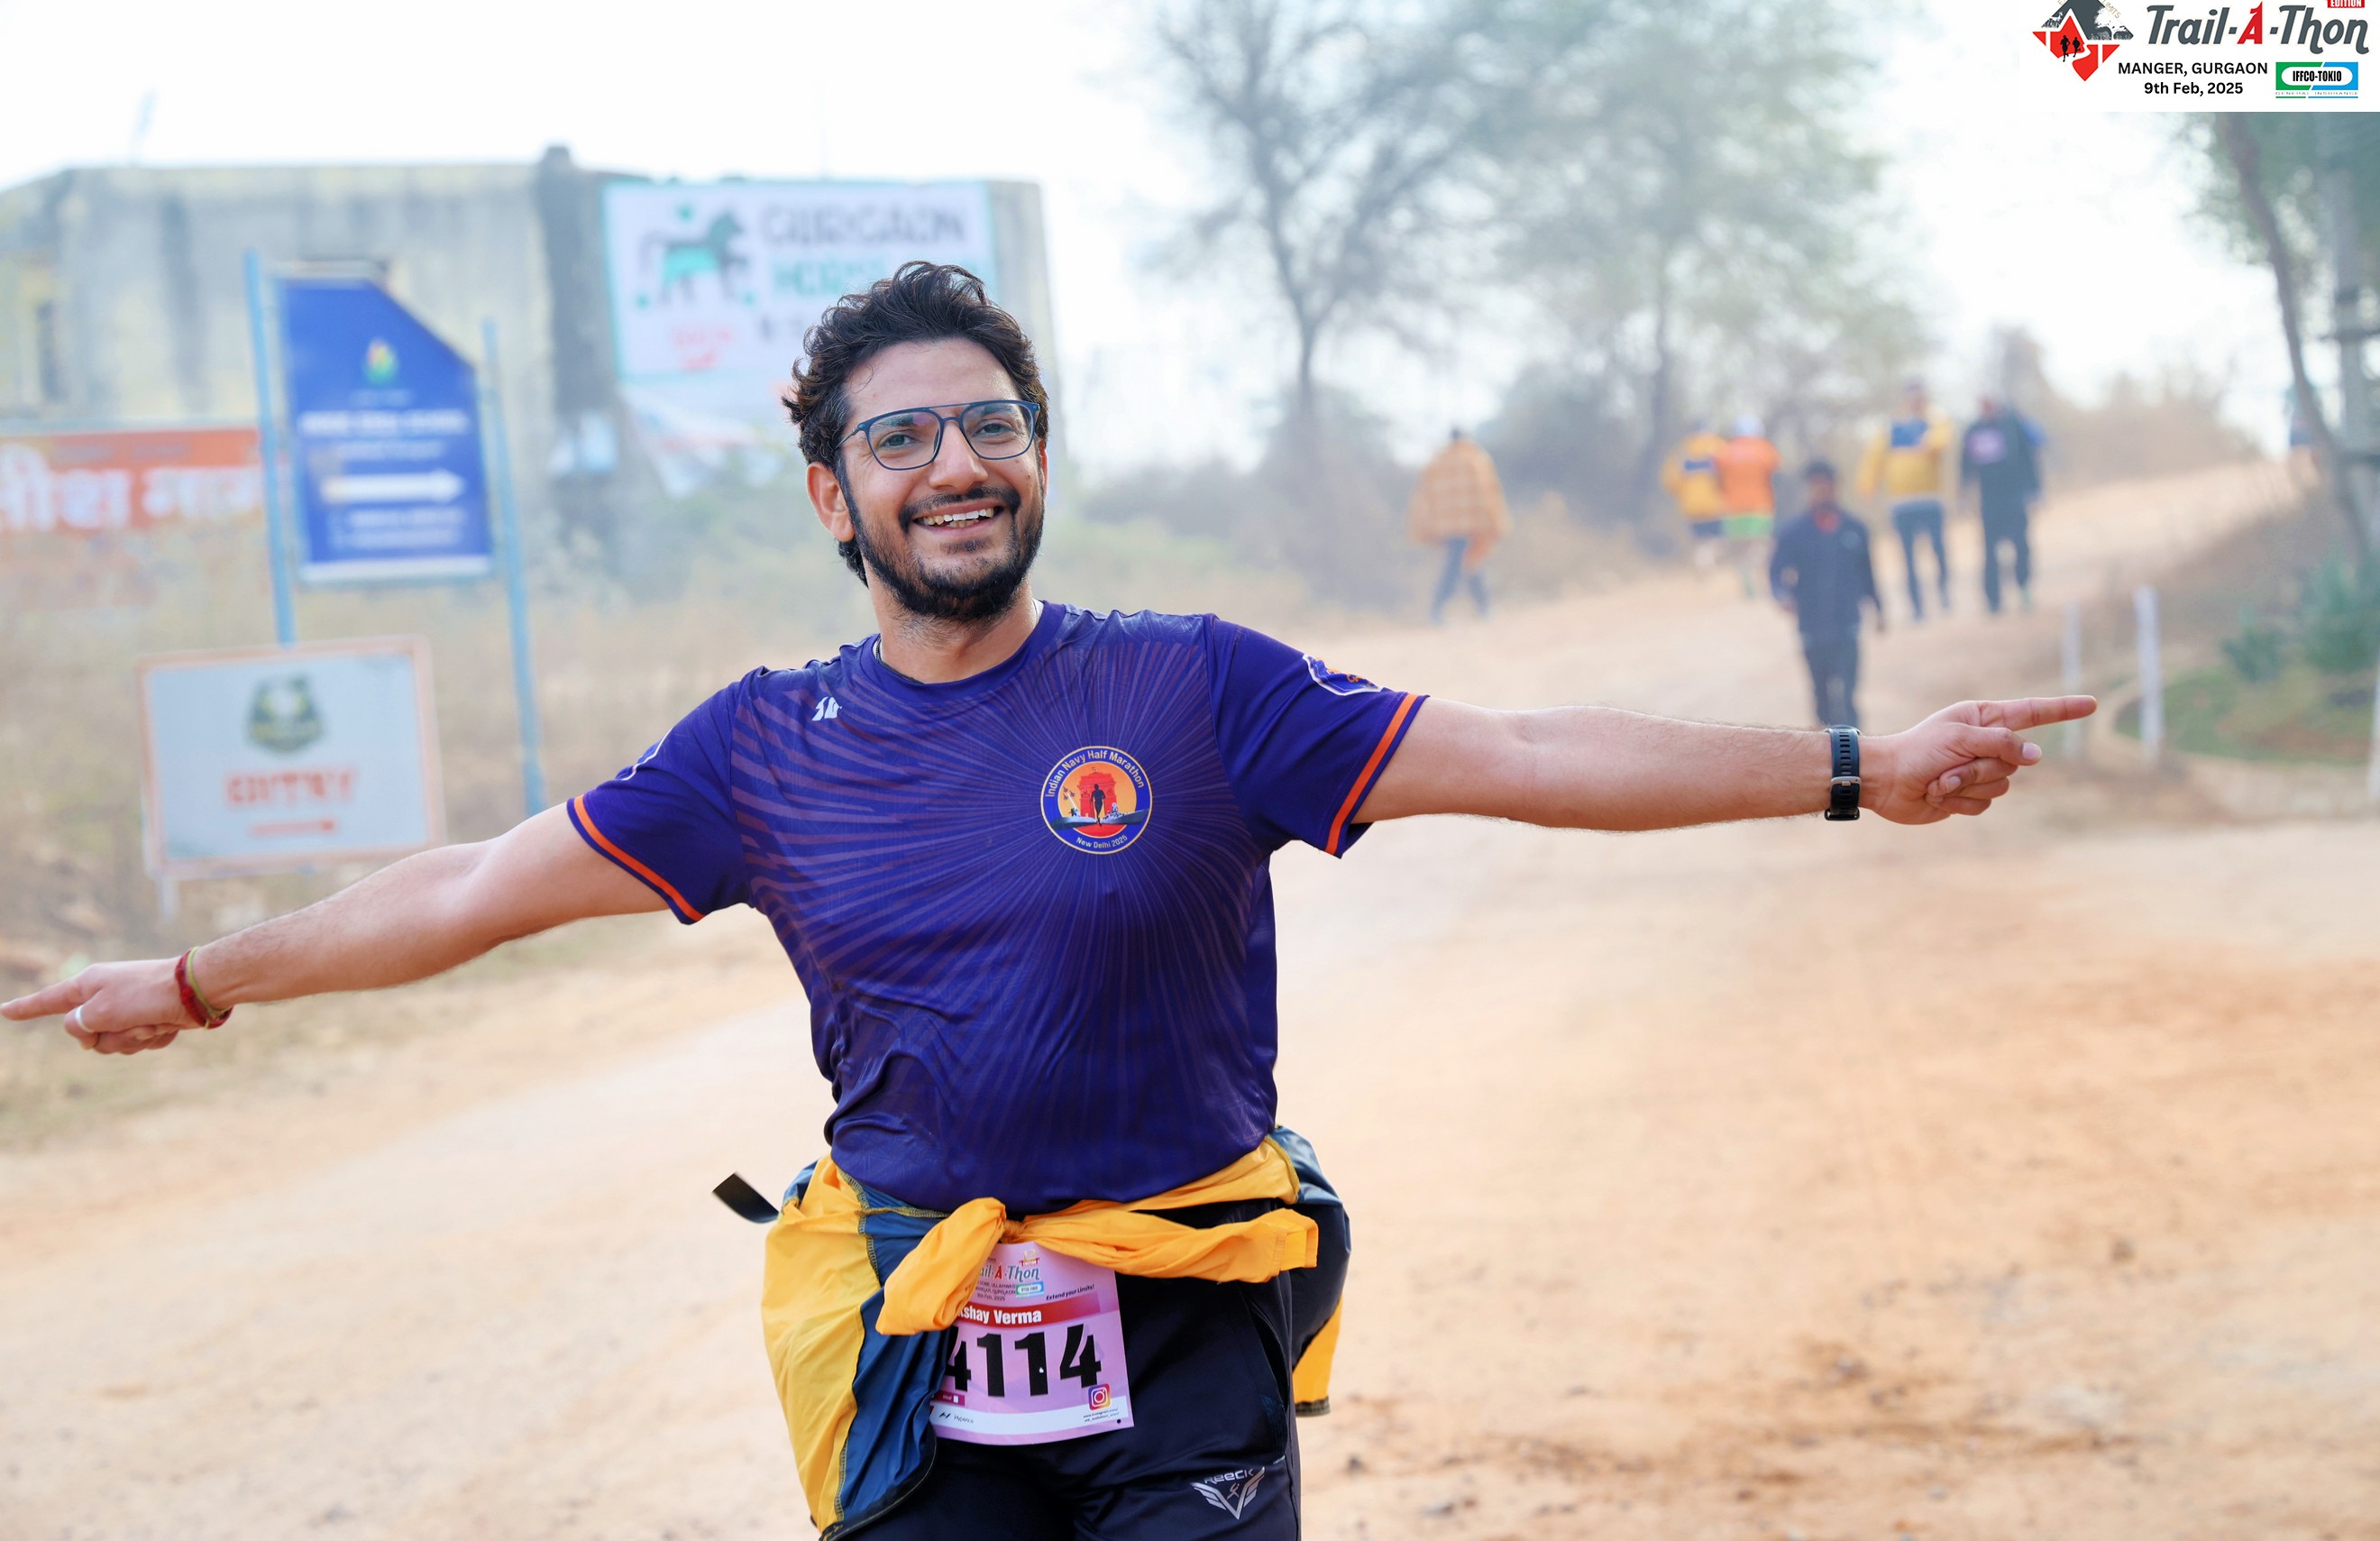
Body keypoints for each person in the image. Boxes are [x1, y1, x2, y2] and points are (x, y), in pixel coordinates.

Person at [5, 263, 2092, 1541]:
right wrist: (197, 978)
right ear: (833, 493)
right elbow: (473, 882)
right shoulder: (757, 747)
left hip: (1186, 1309)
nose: (955, 461)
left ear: (1036, 457)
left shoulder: (1199, 689)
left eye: (991, 422)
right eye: (901, 434)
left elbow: (1532, 753)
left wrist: (1859, 765)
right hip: (916, 1320)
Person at [1771, 459, 1884, 729]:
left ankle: (1856, 747)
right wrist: (1782, 595)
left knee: (1848, 694)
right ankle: (1824, 748)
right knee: (1821, 696)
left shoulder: (1855, 528)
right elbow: (1775, 571)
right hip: (1812, 625)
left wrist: (1879, 610)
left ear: (1835, 487)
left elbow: (1868, 574)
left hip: (1847, 623)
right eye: (1815, 486)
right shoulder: (1794, 533)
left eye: (1825, 485)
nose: (1820, 491)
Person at [1857, 378, 1954, 620]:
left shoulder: (1935, 419)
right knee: (1908, 557)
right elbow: (1874, 457)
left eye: (1919, 395)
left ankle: (1944, 591)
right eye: (1911, 395)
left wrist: (1927, 442)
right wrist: (1867, 484)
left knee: (1938, 550)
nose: (1915, 400)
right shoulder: (1893, 426)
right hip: (1901, 503)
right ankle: (1916, 606)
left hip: (1930, 499)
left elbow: (1942, 441)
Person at [1409, 427, 1511, 621]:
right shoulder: (1475, 459)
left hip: (1446, 526)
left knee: (1470, 563)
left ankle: (1483, 607)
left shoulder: (1436, 462)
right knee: (1458, 565)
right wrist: (1496, 521)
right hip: (1472, 523)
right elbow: (1489, 492)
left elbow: (1425, 498)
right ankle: (1438, 609)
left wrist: (1427, 526)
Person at [1959, 395, 2044, 615]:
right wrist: (1964, 495)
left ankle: (2023, 587)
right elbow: (1965, 465)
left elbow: (2028, 458)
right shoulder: (1974, 430)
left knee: (2021, 545)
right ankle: (1993, 600)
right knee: (1989, 551)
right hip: (1989, 501)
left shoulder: (2011, 425)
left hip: (2014, 497)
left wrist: (2035, 489)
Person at [1713, 415, 1780, 598]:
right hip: (1760, 506)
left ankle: (1747, 587)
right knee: (1761, 546)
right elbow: (1775, 471)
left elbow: (1716, 476)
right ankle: (1763, 584)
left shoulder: (1724, 451)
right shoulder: (1765, 449)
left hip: (1733, 508)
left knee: (1740, 550)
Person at [1660, 417, 1728, 570]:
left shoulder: (1682, 451)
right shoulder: (1720, 447)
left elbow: (1670, 481)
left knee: (1700, 540)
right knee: (1720, 541)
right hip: (1715, 504)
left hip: (1690, 506)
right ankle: (1705, 561)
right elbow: (1729, 475)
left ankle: (1702, 563)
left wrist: (1682, 493)